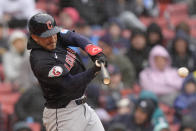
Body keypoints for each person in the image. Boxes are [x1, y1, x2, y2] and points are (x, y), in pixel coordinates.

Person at [27, 13, 106, 131]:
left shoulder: (53, 37)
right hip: (63, 115)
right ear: (34, 37)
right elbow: (70, 85)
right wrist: (94, 70)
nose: (53, 39)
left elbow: (75, 38)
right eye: (47, 36)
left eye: (53, 34)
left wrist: (94, 51)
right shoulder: (41, 61)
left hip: (83, 106)